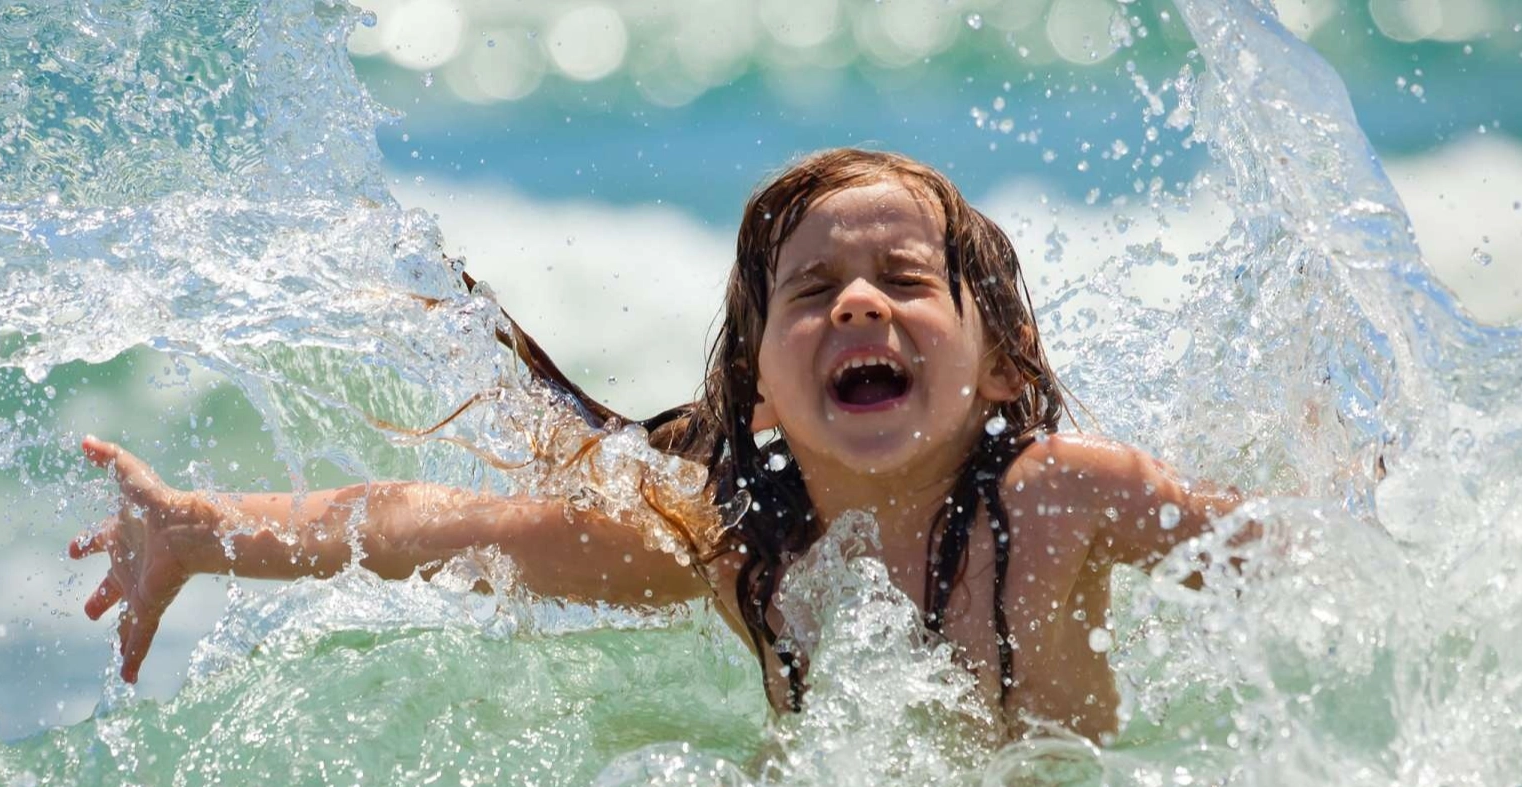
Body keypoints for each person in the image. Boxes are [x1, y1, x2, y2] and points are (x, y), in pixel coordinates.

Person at [69, 148, 1245, 742]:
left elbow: (1318, 568)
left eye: (902, 280)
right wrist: (199, 531)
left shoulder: (1063, 502)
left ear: (998, 364)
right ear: (764, 391)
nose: (855, 306)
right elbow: (440, 526)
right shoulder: (738, 548)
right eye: (812, 292)